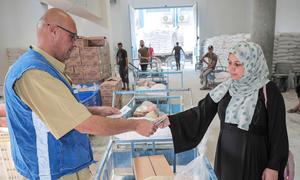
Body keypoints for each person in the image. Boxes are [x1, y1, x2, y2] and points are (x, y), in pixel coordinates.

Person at [4, 8, 156, 180]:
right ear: (54, 31)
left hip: (65, 164)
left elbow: (53, 112)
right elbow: (86, 125)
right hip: (52, 171)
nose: (75, 44)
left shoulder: (46, 67)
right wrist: (134, 125)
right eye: (72, 37)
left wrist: (95, 110)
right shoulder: (34, 74)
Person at [157, 41, 289, 180]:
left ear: (252, 64)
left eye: (237, 64)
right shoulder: (226, 88)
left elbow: (278, 132)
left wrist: (273, 166)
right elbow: (202, 112)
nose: (231, 69)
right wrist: (171, 120)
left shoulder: (268, 91)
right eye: (229, 63)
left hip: (254, 161)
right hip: (226, 160)